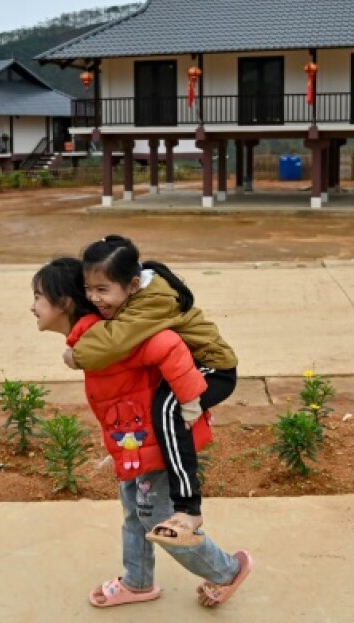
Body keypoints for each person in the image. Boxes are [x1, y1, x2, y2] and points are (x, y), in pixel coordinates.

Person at [33, 258, 253, 609]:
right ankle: (137, 582)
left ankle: (227, 570)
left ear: (65, 303)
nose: (33, 306)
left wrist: (190, 398)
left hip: (158, 445)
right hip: (134, 445)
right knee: (135, 512)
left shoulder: (105, 337)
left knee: (157, 519)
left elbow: (167, 343)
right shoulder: (93, 337)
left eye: (39, 296)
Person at [64, 235, 238, 548]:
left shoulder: (152, 301)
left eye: (102, 289)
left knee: (168, 410)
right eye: (88, 288)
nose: (94, 298)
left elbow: (113, 342)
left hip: (212, 368)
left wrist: (75, 355)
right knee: (161, 409)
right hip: (182, 369)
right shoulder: (134, 295)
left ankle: (189, 509)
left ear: (131, 285)